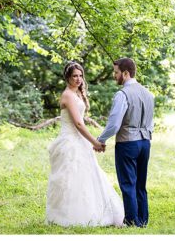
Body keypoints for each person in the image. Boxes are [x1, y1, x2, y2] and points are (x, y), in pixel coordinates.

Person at [46, 61, 124, 227]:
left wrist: (92, 141)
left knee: (88, 177)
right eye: (75, 76)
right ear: (67, 77)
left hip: (79, 140)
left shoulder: (78, 94)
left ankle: (94, 212)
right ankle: (67, 215)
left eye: (80, 75)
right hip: (69, 141)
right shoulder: (67, 95)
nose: (78, 79)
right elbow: (78, 124)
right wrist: (95, 142)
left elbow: (82, 122)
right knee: (70, 179)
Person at [97, 58, 154, 227]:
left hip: (128, 143)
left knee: (128, 183)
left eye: (116, 72)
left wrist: (100, 140)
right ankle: (142, 221)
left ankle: (130, 221)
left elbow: (114, 124)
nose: (114, 76)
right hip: (145, 143)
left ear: (126, 73)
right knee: (140, 184)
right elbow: (151, 121)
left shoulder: (122, 94)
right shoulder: (148, 93)